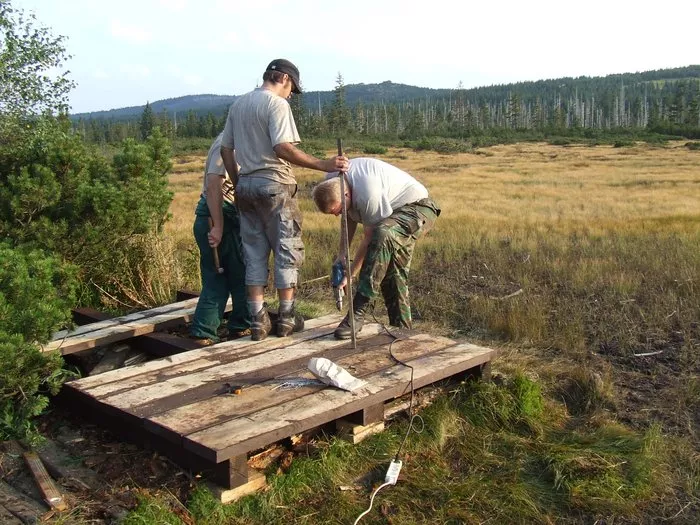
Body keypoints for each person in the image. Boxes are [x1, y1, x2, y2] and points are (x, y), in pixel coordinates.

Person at [220, 58, 348, 341]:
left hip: (247, 187)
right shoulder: (277, 105)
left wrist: (239, 181)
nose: (291, 95)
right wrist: (323, 165)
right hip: (275, 184)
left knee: (253, 253)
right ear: (286, 80)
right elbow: (282, 147)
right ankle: (287, 317)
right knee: (286, 248)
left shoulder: (239, 104)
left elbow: (227, 150)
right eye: (293, 89)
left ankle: (257, 321)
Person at [312, 157, 441, 339]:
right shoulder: (333, 180)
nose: (337, 215)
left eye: (337, 210)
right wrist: (342, 254)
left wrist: (352, 273)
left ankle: (358, 311)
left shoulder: (367, 192)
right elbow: (347, 217)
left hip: (418, 208)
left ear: (346, 195)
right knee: (392, 275)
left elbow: (370, 238)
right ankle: (403, 333)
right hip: (392, 213)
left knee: (383, 234)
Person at [189, 132, 250, 344]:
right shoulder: (229, 141)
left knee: (219, 276)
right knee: (239, 275)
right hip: (219, 216)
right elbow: (214, 182)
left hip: (216, 215)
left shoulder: (239, 139)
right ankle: (240, 326)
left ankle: (205, 331)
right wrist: (218, 226)